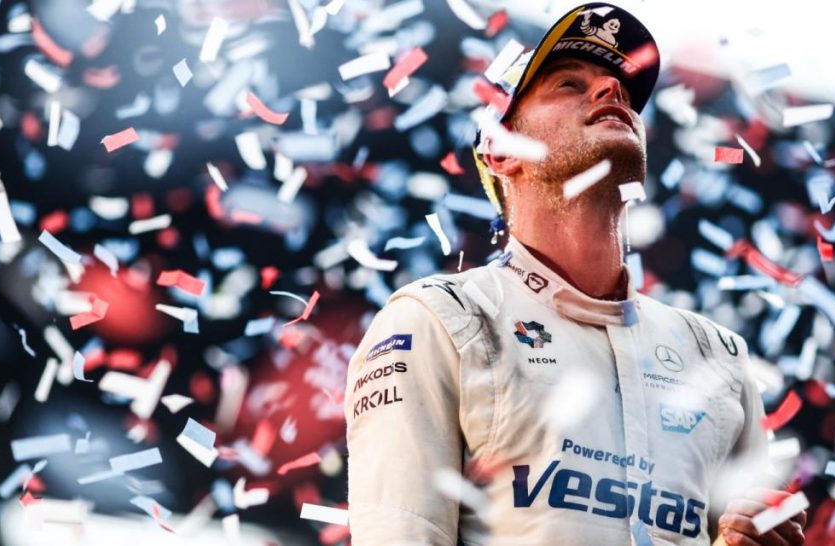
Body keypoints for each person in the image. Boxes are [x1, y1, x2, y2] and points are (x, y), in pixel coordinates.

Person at [344, 3, 807, 545]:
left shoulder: (719, 355)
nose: (612, 92)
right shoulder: (438, 320)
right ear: (499, 149)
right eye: (569, 83)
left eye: (622, 89)